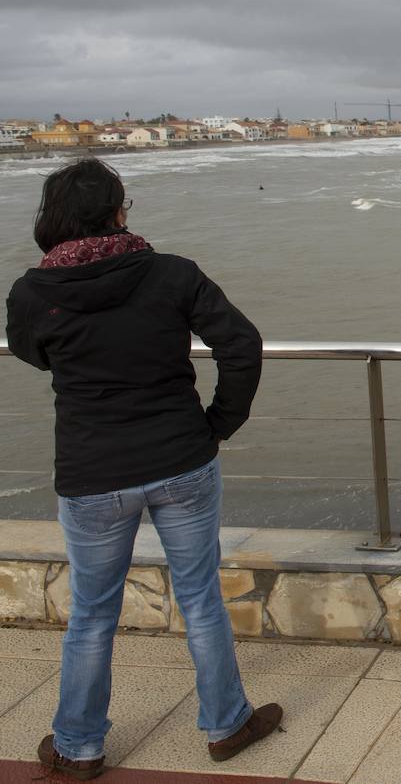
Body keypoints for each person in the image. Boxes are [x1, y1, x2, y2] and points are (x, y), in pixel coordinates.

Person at [5, 158, 281, 779]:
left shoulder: (33, 292)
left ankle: (78, 747)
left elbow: (33, 354)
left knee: (92, 614)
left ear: (54, 217)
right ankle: (226, 725)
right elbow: (241, 342)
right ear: (118, 210)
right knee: (201, 600)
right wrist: (220, 422)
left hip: (92, 472)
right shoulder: (171, 274)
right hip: (182, 459)